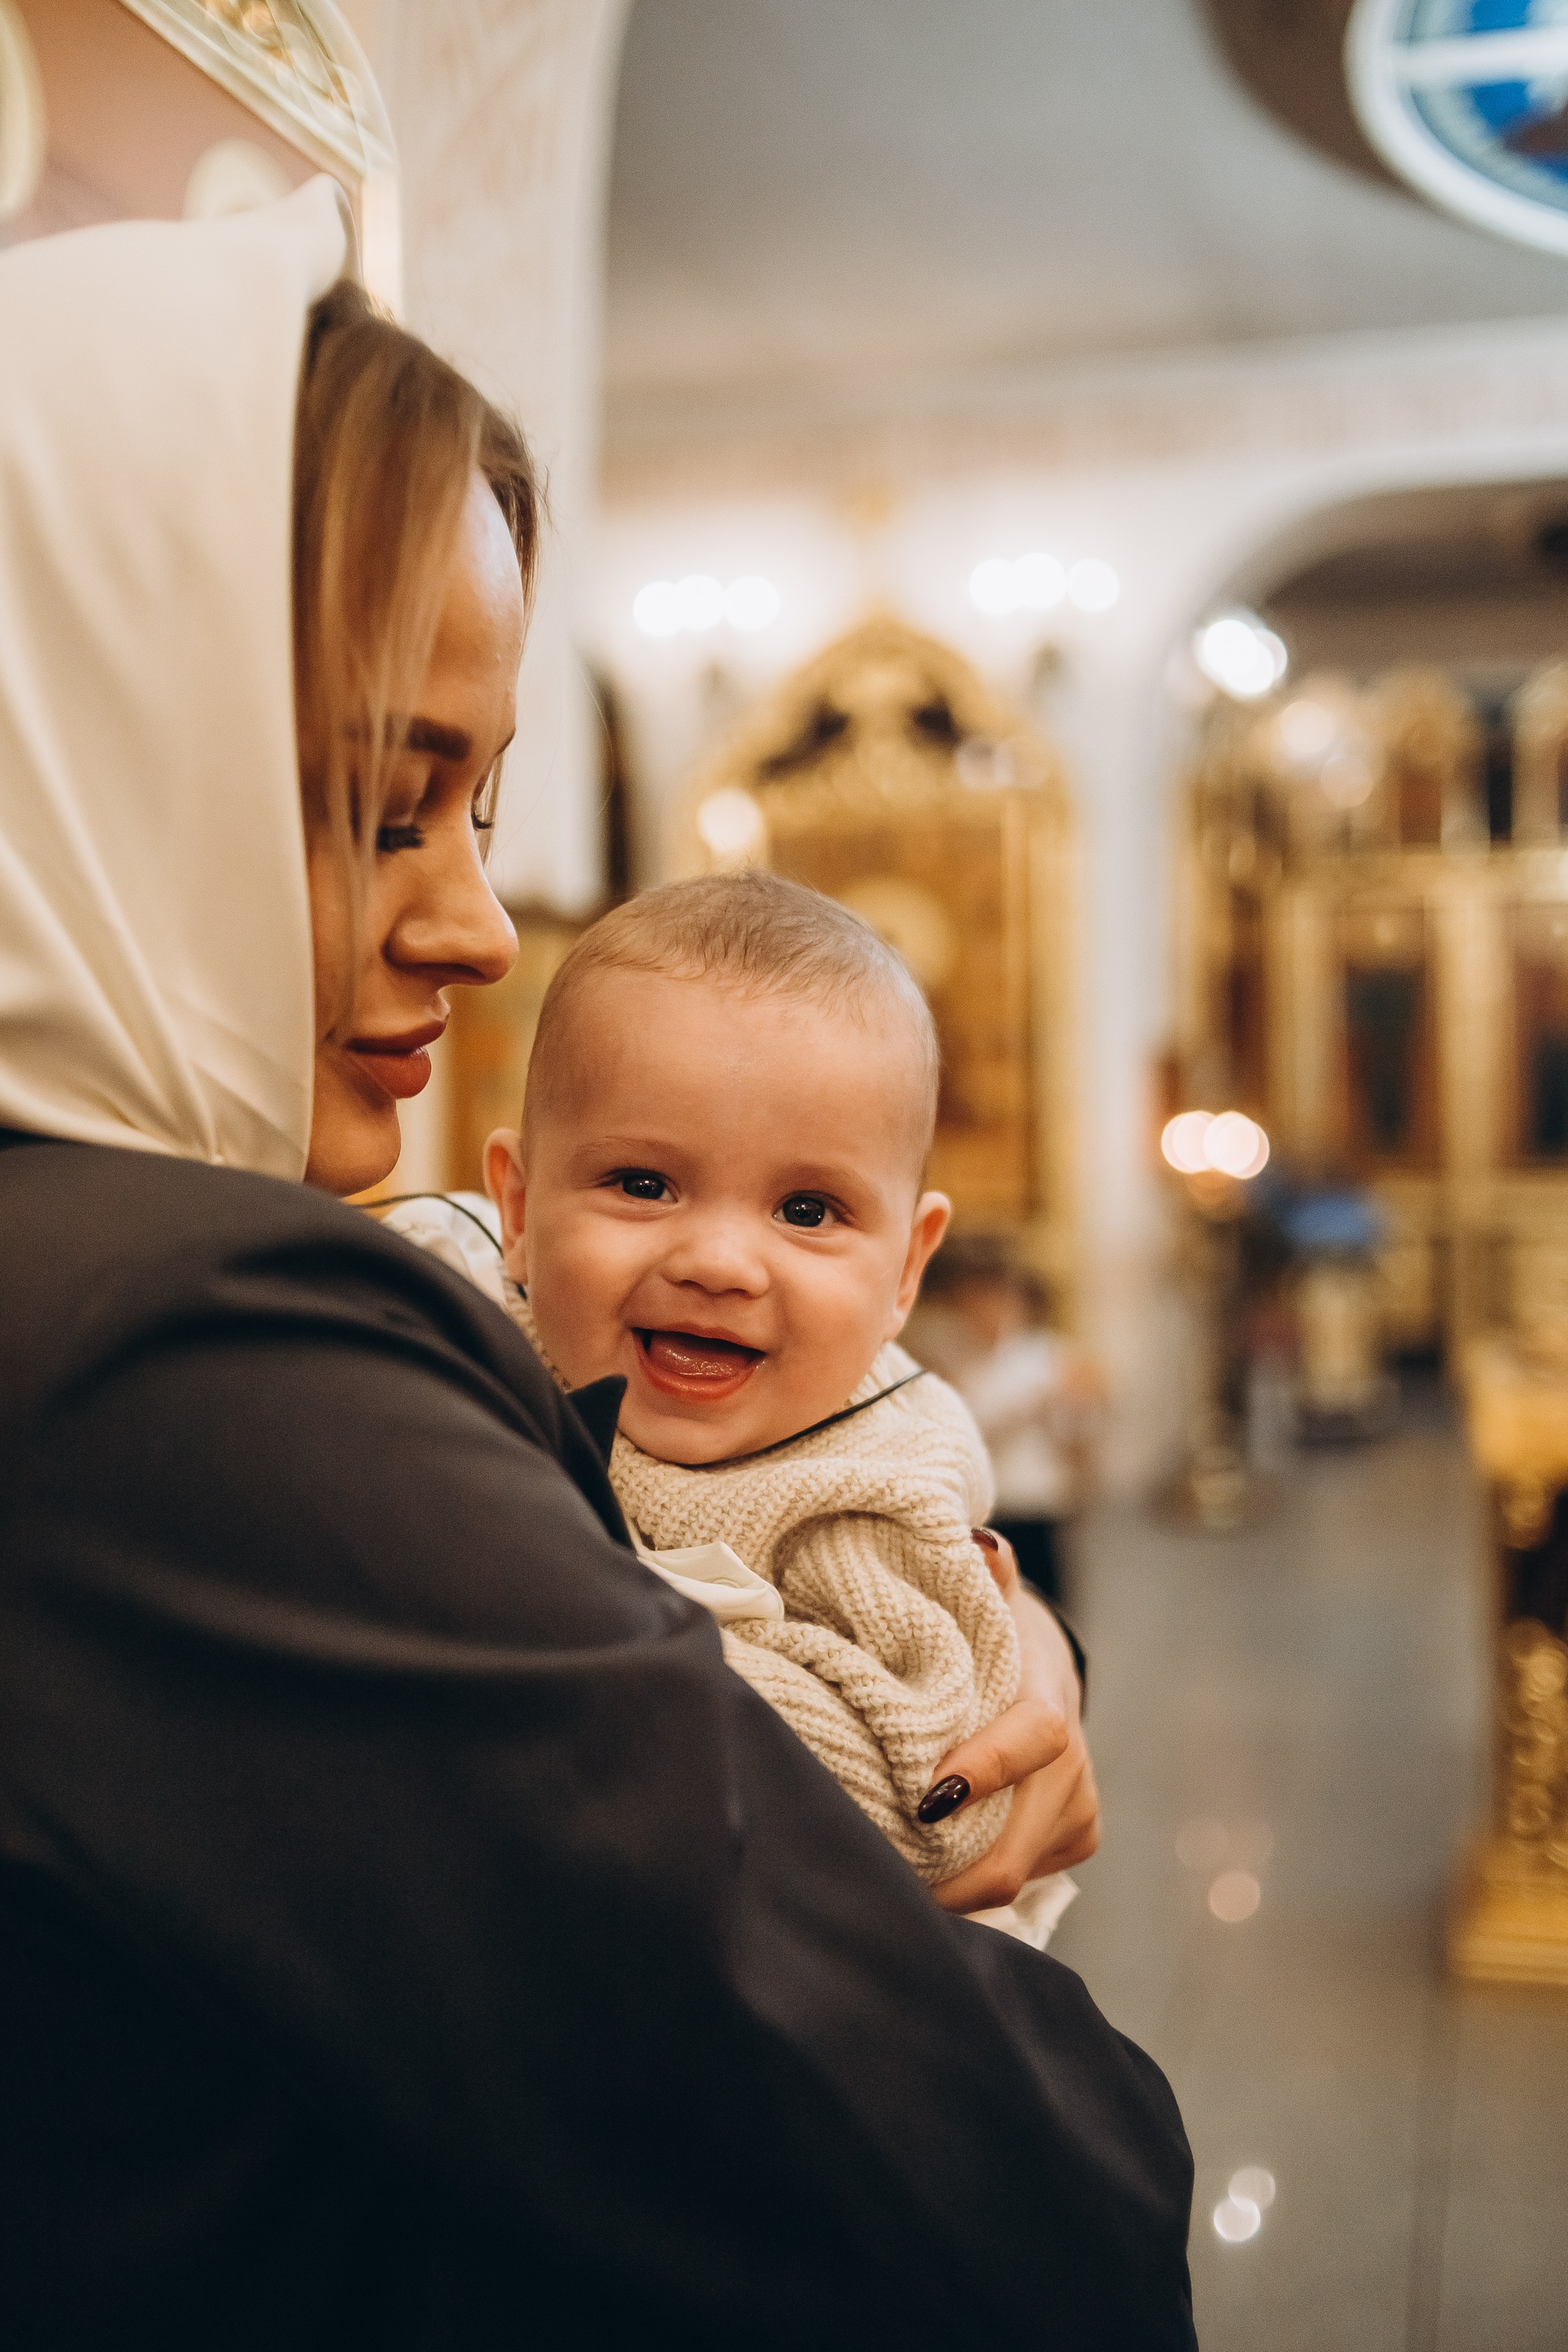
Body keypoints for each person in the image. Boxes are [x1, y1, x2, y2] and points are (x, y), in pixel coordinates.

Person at [0, 184, 1197, 2347]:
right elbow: (1016, 2212)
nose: (474, 921)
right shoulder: (173, 1350)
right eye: (382, 802)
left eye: (484, 803)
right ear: (81, 753)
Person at [466, 872, 1075, 1947]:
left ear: (907, 1267)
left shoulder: (871, 1480)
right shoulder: (455, 1336)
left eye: (808, 1209)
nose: (717, 1262)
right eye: (642, 1184)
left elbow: (936, 1813)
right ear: (517, 1208)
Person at [921, 1235, 1105, 1607]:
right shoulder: (947, 1357)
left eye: (997, 1298)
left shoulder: (1049, 1355)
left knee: (1044, 1603)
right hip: (980, 1503)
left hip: (1037, 1497)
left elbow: (1076, 1429)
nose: (986, 1310)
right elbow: (961, 1425)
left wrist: (1081, 1426)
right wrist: (1034, 1400)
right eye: (973, 1299)